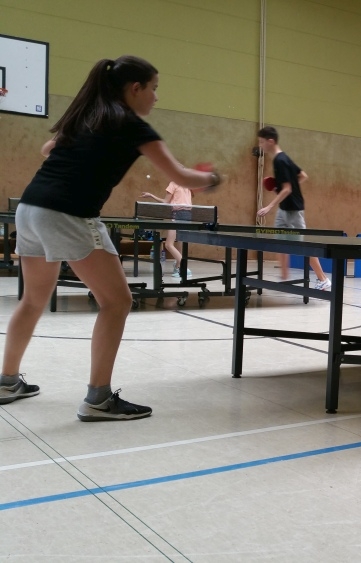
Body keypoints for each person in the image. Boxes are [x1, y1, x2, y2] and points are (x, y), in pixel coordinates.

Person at [0, 55, 221, 420]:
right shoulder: (132, 126)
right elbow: (181, 175)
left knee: (32, 300)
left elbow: (47, 150)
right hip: (69, 213)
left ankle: (7, 382)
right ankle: (98, 399)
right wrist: (213, 179)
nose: (156, 97)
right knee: (117, 302)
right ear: (135, 88)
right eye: (154, 89)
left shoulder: (89, 115)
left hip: (30, 209)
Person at [255, 126, 331, 290]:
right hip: (284, 209)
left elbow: (288, 189)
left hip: (294, 210)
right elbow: (302, 176)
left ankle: (323, 279)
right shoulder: (284, 158)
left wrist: (268, 207)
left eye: (261, 142)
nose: (260, 145)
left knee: (303, 245)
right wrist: (284, 188)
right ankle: (284, 276)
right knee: (280, 239)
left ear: (270, 141)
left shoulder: (280, 161)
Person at [141, 181, 193, 278]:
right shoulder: (187, 184)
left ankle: (184, 266)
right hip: (188, 216)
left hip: (177, 215)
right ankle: (177, 268)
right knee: (180, 245)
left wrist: (151, 195)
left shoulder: (173, 184)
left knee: (169, 244)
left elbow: (165, 201)